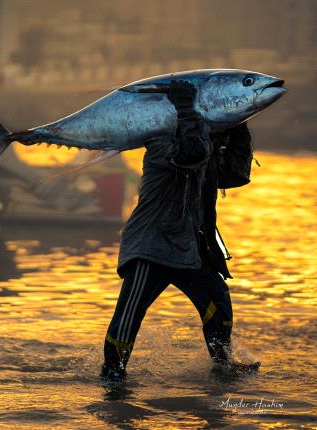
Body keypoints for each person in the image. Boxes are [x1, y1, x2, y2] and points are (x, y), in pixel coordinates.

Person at [101, 80, 258, 379]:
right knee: (129, 314)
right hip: (152, 245)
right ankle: (112, 374)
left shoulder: (202, 146)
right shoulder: (162, 142)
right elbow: (190, 156)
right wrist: (187, 110)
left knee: (218, 303)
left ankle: (222, 366)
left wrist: (239, 124)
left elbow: (236, 174)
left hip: (190, 247)